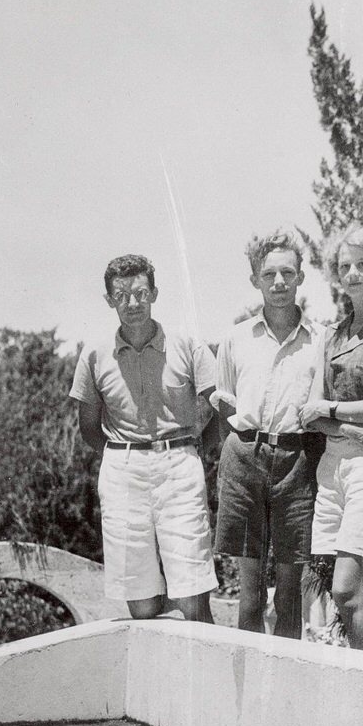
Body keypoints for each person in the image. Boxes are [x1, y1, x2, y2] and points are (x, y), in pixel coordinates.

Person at [70, 254, 217, 622]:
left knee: (193, 595)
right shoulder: (94, 353)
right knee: (142, 605)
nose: (132, 303)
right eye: (121, 295)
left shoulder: (186, 345)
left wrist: (193, 449)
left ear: (154, 293)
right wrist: (125, 455)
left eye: (140, 293)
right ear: (109, 300)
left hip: (179, 467)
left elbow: (215, 406)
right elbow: (88, 427)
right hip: (124, 471)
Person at [213, 230, 323, 639]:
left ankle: (287, 684)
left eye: (287, 273)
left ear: (300, 278)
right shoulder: (236, 338)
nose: (278, 283)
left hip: (299, 460)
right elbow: (225, 404)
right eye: (269, 274)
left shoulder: (320, 340)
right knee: (251, 591)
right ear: (255, 280)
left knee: (291, 590)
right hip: (245, 457)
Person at [297, 224, 363, 652]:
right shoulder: (331, 335)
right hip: (332, 469)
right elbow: (308, 413)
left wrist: (332, 411)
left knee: (344, 589)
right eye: (345, 266)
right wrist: (346, 424)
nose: (353, 273)